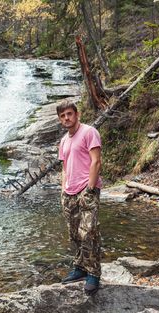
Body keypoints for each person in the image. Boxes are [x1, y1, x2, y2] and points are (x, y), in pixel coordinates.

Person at [57, 100, 102, 296]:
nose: (66, 118)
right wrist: (63, 191)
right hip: (69, 193)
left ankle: (93, 273)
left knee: (89, 232)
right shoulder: (64, 140)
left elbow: (96, 161)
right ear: (60, 119)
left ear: (77, 114)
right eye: (62, 116)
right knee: (74, 233)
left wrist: (90, 189)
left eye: (69, 114)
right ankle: (80, 268)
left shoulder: (89, 132)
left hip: (86, 190)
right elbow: (65, 168)